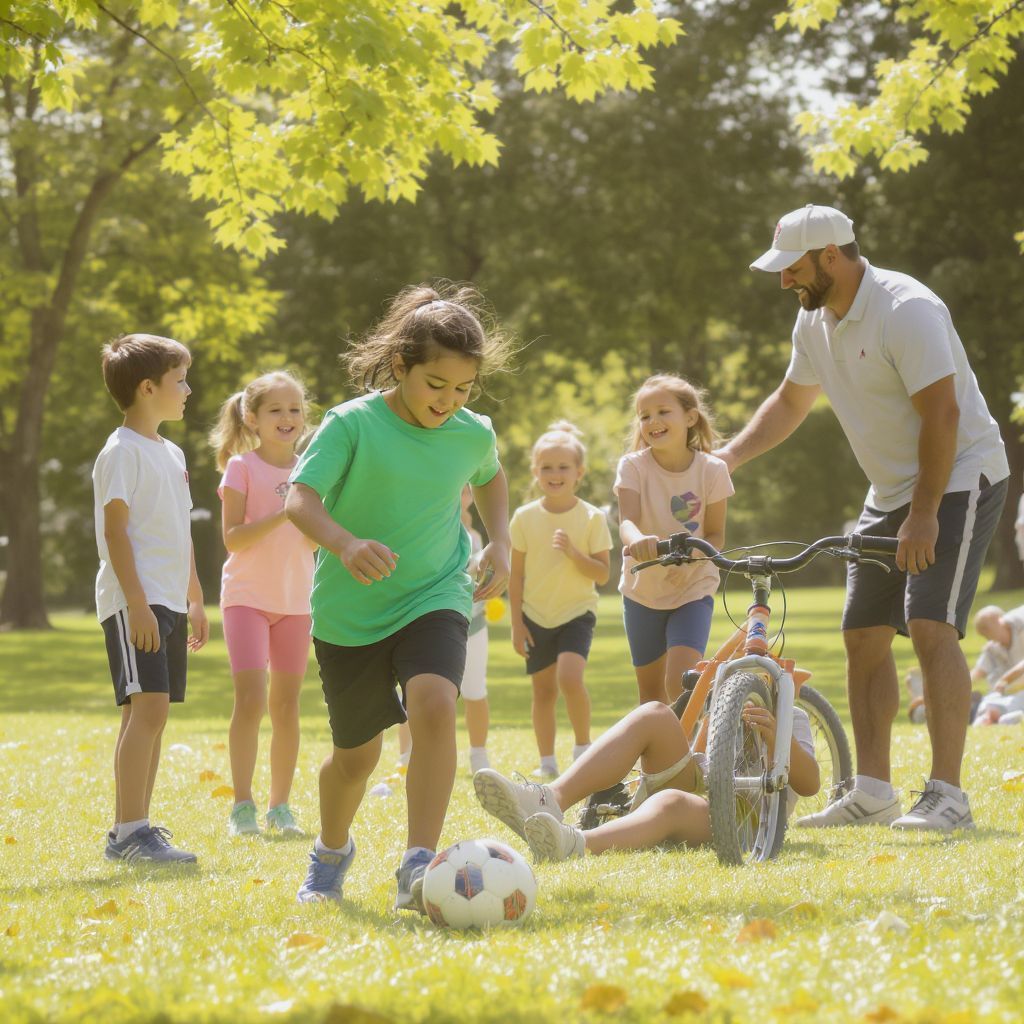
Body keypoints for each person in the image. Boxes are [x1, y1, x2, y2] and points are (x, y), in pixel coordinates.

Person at [719, 203, 1009, 831]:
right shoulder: (815, 322)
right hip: (889, 490)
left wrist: (925, 513)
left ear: (831, 256)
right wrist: (729, 458)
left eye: (792, 268)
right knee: (863, 635)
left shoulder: (906, 310)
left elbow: (943, 417)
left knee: (930, 624)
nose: (782, 281)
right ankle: (873, 792)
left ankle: (948, 796)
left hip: (959, 476)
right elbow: (792, 399)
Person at [285, 284, 512, 912]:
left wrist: (501, 543)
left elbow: (492, 478)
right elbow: (298, 498)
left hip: (436, 591)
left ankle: (419, 864)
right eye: (435, 384)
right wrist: (345, 543)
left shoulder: (472, 433)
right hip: (350, 610)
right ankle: (331, 851)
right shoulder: (352, 423)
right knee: (355, 760)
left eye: (463, 389)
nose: (449, 401)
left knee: (436, 704)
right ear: (401, 366)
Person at [93, 333, 208, 863]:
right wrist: (136, 603)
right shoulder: (120, 453)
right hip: (134, 602)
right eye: (180, 380)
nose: (188, 389)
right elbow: (117, 534)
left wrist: (195, 596)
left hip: (170, 601)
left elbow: (178, 528)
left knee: (150, 715)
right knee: (150, 711)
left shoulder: (172, 451)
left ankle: (134, 829)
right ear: (147, 388)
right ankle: (128, 833)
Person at [473, 698, 819, 861]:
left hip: (747, 818)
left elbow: (810, 783)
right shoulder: (729, 704)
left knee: (671, 803)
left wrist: (778, 738)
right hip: (707, 788)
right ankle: (549, 798)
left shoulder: (793, 717)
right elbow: (701, 760)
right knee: (654, 713)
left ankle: (575, 844)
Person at [209, 371, 318, 838]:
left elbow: (315, 540)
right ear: (252, 418)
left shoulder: (312, 468)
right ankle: (242, 807)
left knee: (287, 706)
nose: (288, 418)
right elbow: (233, 539)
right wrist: (282, 513)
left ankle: (280, 807)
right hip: (247, 599)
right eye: (276, 410)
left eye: (295, 409)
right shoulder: (241, 468)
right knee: (251, 701)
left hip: (297, 601)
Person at [616, 375, 734, 704]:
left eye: (663, 411)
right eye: (644, 416)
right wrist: (639, 540)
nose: (653, 421)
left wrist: (694, 559)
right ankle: (658, 756)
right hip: (644, 590)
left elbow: (715, 534)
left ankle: (693, 752)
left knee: (682, 682)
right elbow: (627, 521)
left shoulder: (712, 470)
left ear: (690, 417)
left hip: (692, 588)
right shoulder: (632, 467)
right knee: (652, 697)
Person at [509, 421, 612, 779]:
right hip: (535, 615)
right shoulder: (523, 518)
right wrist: (517, 623)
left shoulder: (591, 517)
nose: (555, 474)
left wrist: (572, 552)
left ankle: (583, 748)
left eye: (563, 467)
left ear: (579, 473)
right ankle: (547, 761)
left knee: (570, 678)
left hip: (576, 612)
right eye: (547, 467)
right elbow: (516, 574)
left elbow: (602, 574)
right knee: (543, 691)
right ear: (535, 472)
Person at [396, 484, 495, 775]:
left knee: (475, 690)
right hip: (428, 623)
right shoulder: (429, 528)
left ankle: (479, 757)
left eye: (466, 489)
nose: (460, 494)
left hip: (473, 625)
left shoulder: (477, 537)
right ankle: (406, 756)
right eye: (454, 487)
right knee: (413, 692)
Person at [970, 605, 1024, 725]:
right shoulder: (993, 647)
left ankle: (1006, 717)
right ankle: (989, 716)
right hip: (1008, 692)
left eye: (987, 630)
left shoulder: (1020, 625)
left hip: (1018, 692)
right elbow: (978, 672)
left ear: (999, 620)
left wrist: (1005, 679)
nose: (988, 638)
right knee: (988, 703)